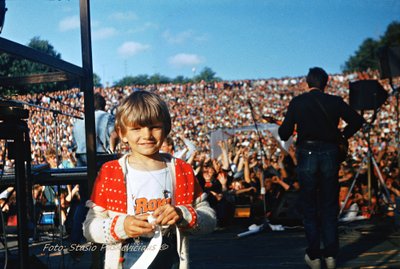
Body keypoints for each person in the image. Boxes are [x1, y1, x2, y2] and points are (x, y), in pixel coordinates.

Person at [83, 90, 216, 269]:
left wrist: (183, 215)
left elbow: (209, 219)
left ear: (166, 128)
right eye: (136, 128)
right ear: (122, 133)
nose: (147, 135)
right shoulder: (110, 172)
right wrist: (121, 226)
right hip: (127, 252)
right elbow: (90, 227)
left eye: (154, 127)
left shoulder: (182, 170)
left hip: (171, 254)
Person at [278, 67, 364, 269]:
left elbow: (284, 133)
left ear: (307, 82)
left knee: (309, 206)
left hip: (306, 154)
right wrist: (342, 135)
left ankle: (315, 255)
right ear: (326, 83)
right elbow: (357, 121)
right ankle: (331, 254)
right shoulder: (334, 101)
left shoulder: (298, 102)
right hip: (329, 154)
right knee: (328, 206)